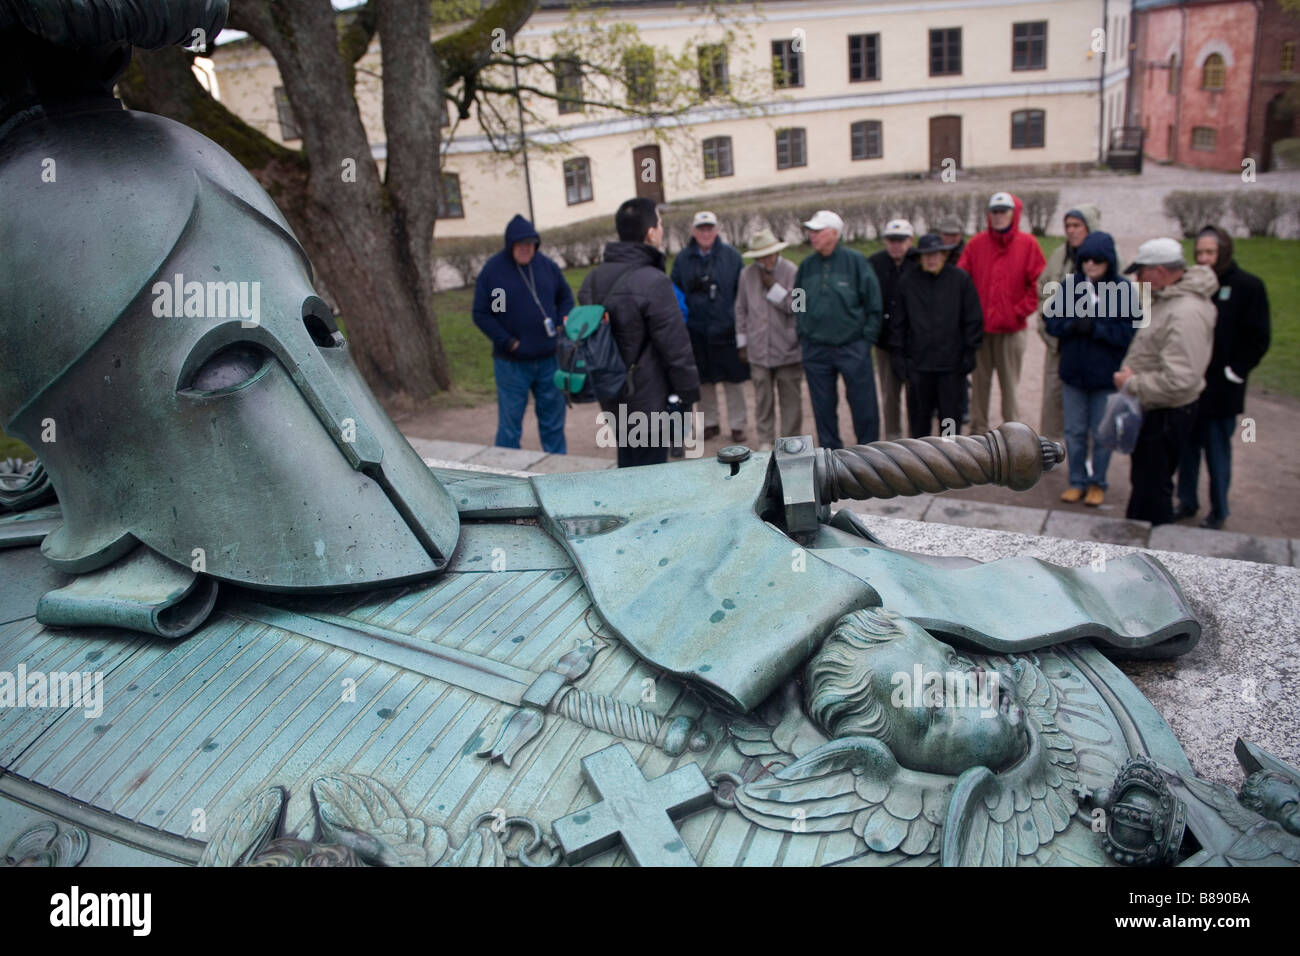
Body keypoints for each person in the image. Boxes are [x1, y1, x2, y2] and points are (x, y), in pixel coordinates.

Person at [579, 197, 700, 468]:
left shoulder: (592, 279)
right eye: (659, 223)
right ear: (650, 232)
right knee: (650, 477)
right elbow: (676, 348)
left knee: (628, 462)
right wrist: (689, 394)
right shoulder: (654, 281)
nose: (662, 229)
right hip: (649, 398)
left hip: (609, 391)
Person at [1114, 238, 1217, 525]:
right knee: (1147, 480)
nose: (1137, 278)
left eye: (1141, 271)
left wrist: (1131, 384)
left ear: (1159, 270)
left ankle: (1150, 543)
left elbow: (1180, 379)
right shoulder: (1171, 300)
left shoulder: (1184, 313)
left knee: (1152, 487)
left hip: (1167, 414)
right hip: (1159, 410)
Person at [1176, 226, 1271, 529]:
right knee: (1187, 451)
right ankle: (1187, 501)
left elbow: (1259, 336)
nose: (1204, 259)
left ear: (1223, 253)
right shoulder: (1191, 286)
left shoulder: (1247, 287)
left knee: (1217, 453)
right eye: (1200, 252)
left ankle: (1219, 510)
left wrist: (1236, 371)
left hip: (1222, 390)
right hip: (1191, 386)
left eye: (1210, 253)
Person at [1042, 230, 1135, 507]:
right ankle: (1077, 481)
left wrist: (1096, 328)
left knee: (1103, 433)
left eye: (1097, 260)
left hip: (1105, 377)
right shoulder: (1071, 287)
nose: (1090, 265)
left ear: (1108, 261)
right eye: (1085, 260)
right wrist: (1072, 324)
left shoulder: (1123, 289)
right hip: (1073, 375)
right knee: (1074, 431)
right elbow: (1051, 323)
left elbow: (1128, 333)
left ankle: (1098, 483)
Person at [472, 214, 574, 453]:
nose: (526, 249)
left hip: (550, 359)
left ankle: (558, 474)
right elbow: (483, 314)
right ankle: (506, 475)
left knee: (553, 424)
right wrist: (508, 342)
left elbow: (565, 298)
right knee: (510, 427)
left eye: (530, 244)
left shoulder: (547, 267)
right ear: (510, 245)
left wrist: (561, 323)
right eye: (520, 244)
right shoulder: (495, 272)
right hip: (512, 364)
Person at [793, 209, 883, 449]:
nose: (812, 236)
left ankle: (868, 454)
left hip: (853, 346)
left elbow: (873, 303)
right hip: (816, 349)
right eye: (810, 231)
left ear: (834, 233)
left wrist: (866, 341)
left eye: (817, 231)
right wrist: (803, 331)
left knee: (863, 404)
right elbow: (797, 300)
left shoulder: (855, 262)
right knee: (822, 407)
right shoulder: (806, 266)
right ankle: (830, 458)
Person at [958, 192, 1047, 435]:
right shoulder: (977, 244)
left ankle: (1014, 436)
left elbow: (1039, 284)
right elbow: (961, 280)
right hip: (981, 331)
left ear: (1013, 213)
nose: (998, 217)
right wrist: (969, 314)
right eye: (994, 212)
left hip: (1011, 331)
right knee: (979, 386)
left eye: (1003, 211)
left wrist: (1018, 311)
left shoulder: (1028, 244)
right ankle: (978, 435)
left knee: (1010, 387)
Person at [888, 233, 982, 438]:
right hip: (918, 367)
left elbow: (973, 319)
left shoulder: (960, 280)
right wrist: (898, 356)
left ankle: (950, 462)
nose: (932, 259)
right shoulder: (908, 282)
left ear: (945, 255)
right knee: (919, 423)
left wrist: (969, 352)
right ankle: (921, 465)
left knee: (949, 421)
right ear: (920, 256)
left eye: (937, 254)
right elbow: (898, 323)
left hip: (951, 368)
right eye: (927, 255)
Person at [671, 211, 748, 443]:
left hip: (726, 328)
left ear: (716, 230)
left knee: (733, 381)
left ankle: (738, 425)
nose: (706, 233)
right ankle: (710, 423)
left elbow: (741, 294)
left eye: (709, 228)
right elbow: (675, 293)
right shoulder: (683, 259)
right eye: (701, 229)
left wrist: (739, 325)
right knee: (703, 382)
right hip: (696, 330)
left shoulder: (732, 256)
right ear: (694, 232)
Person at [1035, 206, 1106, 440]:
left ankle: (1090, 453)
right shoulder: (1058, 256)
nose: (1071, 231)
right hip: (1060, 342)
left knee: (1092, 399)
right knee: (1053, 398)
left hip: (1095, 345)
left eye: (1077, 225)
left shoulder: (1109, 254)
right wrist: (1051, 327)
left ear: (1090, 227)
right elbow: (1044, 292)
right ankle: (1049, 447)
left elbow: (1121, 298)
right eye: (1068, 226)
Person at [735, 228, 802, 451]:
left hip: (788, 348)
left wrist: (774, 288)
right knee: (763, 398)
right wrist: (742, 343)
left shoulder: (792, 270)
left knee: (790, 398)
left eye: (769, 254)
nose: (766, 259)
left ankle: (791, 441)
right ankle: (765, 440)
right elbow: (740, 309)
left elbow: (800, 307)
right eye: (761, 255)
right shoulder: (746, 274)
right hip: (758, 349)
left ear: (776, 252)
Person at [867, 219, 915, 439]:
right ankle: (894, 437)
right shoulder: (874, 263)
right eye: (891, 240)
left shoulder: (919, 260)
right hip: (885, 342)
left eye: (901, 240)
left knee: (916, 392)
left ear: (910, 240)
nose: (896, 245)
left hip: (916, 343)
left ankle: (918, 438)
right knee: (890, 393)